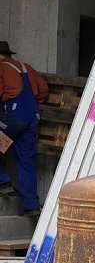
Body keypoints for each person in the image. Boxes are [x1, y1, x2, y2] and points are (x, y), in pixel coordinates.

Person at [0, 41, 49, 216]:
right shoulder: (25, 67)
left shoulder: (1, 68)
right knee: (27, 161)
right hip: (32, 117)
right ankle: (31, 206)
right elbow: (43, 89)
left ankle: (3, 183)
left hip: (14, 117)